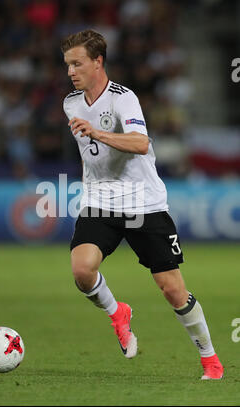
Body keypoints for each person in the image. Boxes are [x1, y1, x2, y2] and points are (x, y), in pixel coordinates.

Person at [61, 29, 223, 380]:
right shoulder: (71, 102)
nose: (71, 72)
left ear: (98, 61)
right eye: (67, 65)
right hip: (100, 200)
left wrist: (97, 132)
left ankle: (210, 358)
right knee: (82, 270)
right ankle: (117, 313)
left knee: (172, 289)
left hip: (143, 203)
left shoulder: (124, 99)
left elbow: (140, 143)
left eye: (77, 64)